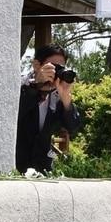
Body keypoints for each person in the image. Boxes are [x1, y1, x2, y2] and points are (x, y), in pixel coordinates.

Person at [16, 44, 83, 175]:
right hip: (15, 167)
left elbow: (73, 128)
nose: (55, 72)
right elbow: (16, 115)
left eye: (60, 68)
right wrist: (36, 86)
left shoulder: (57, 97)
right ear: (36, 65)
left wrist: (66, 98)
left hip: (42, 169)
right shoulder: (20, 86)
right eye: (52, 67)